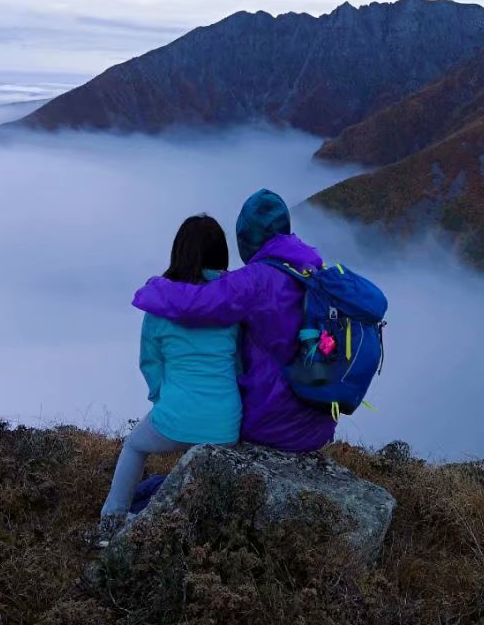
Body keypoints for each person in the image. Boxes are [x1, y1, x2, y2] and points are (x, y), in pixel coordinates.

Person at [132, 189, 334, 454]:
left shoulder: (253, 281)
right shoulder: (311, 269)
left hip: (274, 424)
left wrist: (156, 288)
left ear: (246, 236)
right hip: (317, 423)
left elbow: (196, 304)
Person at [99, 214, 242, 533]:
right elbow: (239, 365)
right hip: (226, 424)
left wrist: (162, 398)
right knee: (201, 466)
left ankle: (112, 519)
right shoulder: (233, 306)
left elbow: (150, 363)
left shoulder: (159, 307)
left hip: (174, 415)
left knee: (135, 446)